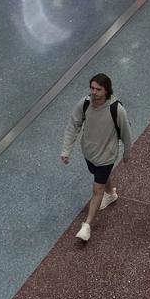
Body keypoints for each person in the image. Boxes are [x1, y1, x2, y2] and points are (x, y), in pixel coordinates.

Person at [60, 73, 133, 243]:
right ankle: (111, 194)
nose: (93, 92)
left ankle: (86, 226)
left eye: (98, 89)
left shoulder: (117, 109)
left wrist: (126, 154)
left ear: (106, 90)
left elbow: (126, 134)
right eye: (92, 88)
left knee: (96, 189)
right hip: (89, 153)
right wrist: (66, 150)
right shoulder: (84, 103)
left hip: (106, 156)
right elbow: (73, 125)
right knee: (99, 179)